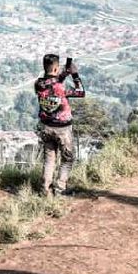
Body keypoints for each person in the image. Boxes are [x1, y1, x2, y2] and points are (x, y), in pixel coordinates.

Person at [34, 54, 84, 196]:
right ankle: (60, 188)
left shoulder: (38, 84)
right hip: (62, 129)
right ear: (56, 68)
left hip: (46, 127)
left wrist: (64, 73)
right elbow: (81, 92)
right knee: (67, 159)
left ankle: (45, 189)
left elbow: (53, 83)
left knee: (49, 159)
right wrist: (74, 74)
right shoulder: (60, 88)